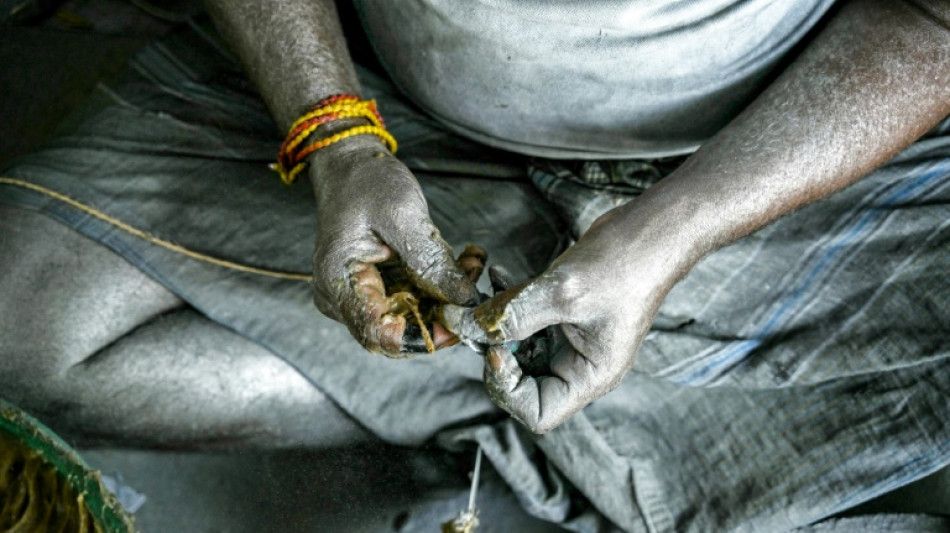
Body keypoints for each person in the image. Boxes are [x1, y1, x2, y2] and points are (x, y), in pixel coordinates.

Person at [1, 0, 948, 530]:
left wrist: (671, 231)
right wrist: (334, 135)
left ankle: (492, 394)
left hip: (767, 153)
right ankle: (534, 417)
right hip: (370, 99)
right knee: (23, 320)